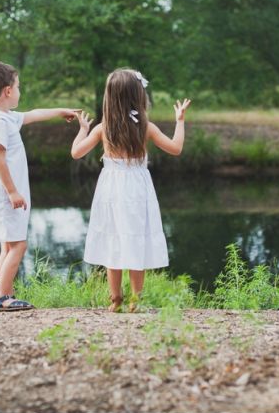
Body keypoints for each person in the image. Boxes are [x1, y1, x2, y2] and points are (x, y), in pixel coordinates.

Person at [71, 68, 191, 312]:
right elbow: (176, 148)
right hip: (136, 188)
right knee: (137, 240)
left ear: (110, 97)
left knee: (112, 239)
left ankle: (115, 299)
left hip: (111, 188)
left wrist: (83, 128)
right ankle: (136, 300)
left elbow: (76, 153)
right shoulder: (145, 127)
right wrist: (179, 121)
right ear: (138, 96)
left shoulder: (103, 128)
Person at [0, 60, 79, 311]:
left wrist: (61, 110)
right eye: (18, 87)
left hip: (3, 196)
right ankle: (1, 298)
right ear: (7, 91)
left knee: (8, 245)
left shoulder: (4, 116)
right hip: (4, 196)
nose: (20, 91)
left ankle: (6, 293)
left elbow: (33, 114)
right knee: (19, 245)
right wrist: (12, 191)